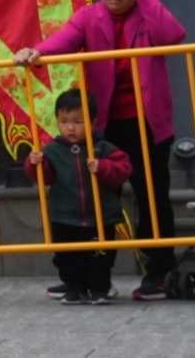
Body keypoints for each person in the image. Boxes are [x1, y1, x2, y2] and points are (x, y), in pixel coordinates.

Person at [14, 0, 188, 301]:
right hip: (103, 123)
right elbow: (64, 39)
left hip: (146, 121)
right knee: (90, 198)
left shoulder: (147, 11)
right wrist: (36, 52)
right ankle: (81, 274)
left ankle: (159, 271)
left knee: (151, 194)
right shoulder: (89, 16)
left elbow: (173, 36)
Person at [28, 89, 134, 305]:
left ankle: (99, 289)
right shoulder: (52, 150)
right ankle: (75, 288)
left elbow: (124, 168)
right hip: (64, 217)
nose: (70, 128)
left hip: (100, 217)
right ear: (57, 121)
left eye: (78, 121)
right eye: (64, 121)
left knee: (101, 257)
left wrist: (103, 167)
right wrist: (34, 163)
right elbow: (44, 178)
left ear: (93, 122)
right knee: (67, 257)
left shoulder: (102, 148)